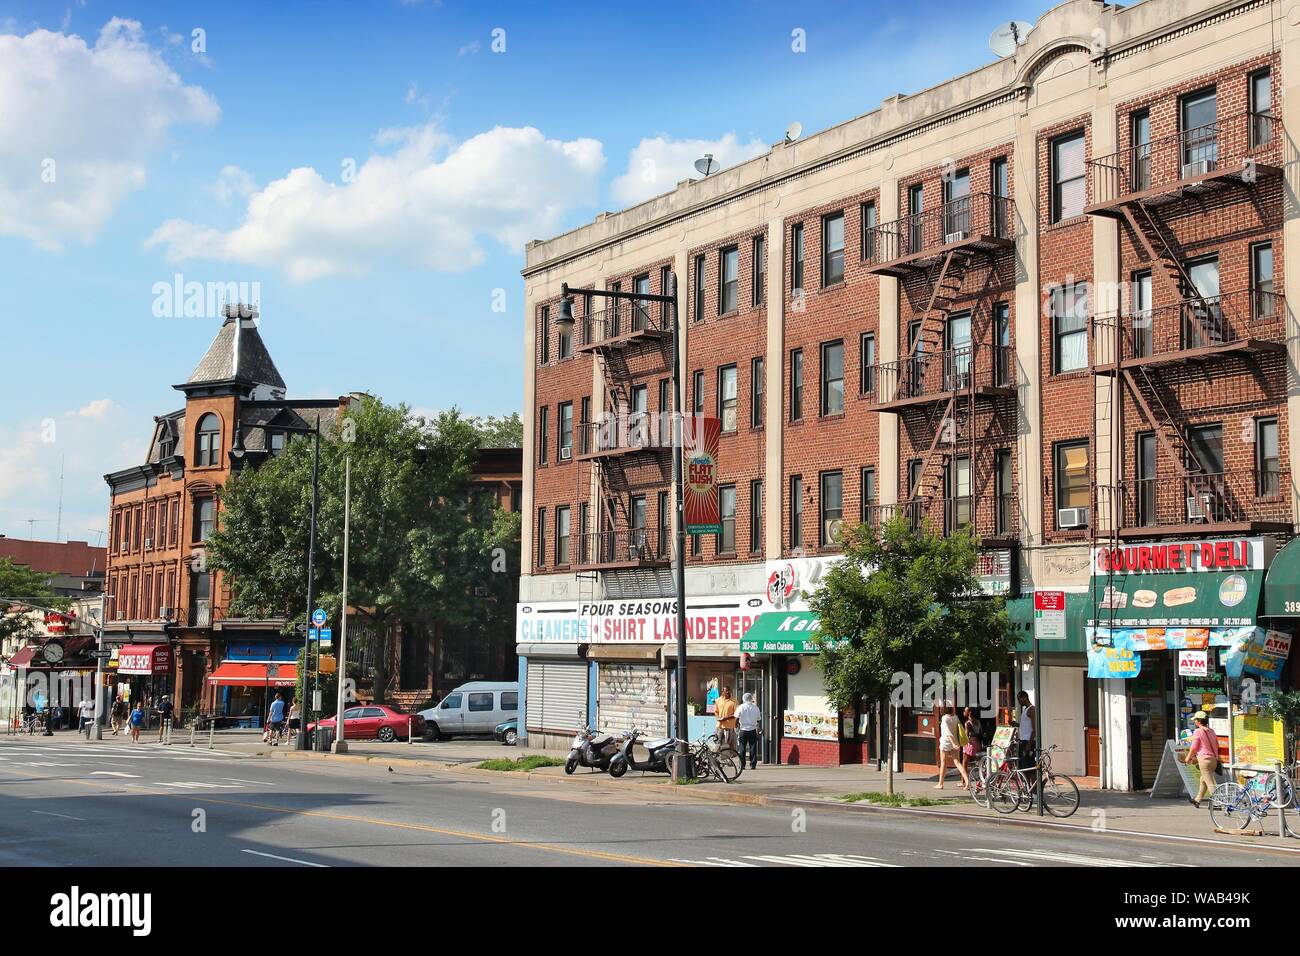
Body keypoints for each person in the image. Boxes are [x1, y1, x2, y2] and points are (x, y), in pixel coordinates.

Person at [1184, 711, 1219, 808]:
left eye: (1195, 719)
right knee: (1203, 779)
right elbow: (1216, 745)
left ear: (1199, 721)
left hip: (1204, 760)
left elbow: (1194, 747)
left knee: (1210, 782)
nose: (1195, 721)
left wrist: (1188, 758)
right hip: (1213, 760)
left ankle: (1217, 803)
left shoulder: (1197, 732)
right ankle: (1197, 800)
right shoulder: (1211, 731)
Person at [936, 700, 969, 789]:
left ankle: (940, 784)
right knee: (957, 762)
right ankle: (967, 781)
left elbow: (948, 732)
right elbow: (959, 728)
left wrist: (953, 743)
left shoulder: (944, 718)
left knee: (943, 762)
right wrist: (955, 743)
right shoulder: (955, 717)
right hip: (955, 742)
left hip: (946, 743)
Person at [735, 692, 761, 770]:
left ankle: (742, 765)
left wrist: (735, 726)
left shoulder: (741, 707)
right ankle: (753, 764)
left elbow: (736, 718)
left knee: (742, 748)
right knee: (753, 748)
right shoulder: (755, 707)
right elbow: (758, 719)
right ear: (751, 698)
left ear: (743, 698)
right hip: (752, 730)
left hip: (743, 730)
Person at [714, 686, 739, 751]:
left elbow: (736, 713)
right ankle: (717, 756)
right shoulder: (718, 700)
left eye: (728, 690)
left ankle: (730, 756)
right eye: (726, 691)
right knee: (718, 741)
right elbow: (716, 711)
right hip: (719, 725)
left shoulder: (734, 701)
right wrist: (718, 717)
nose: (727, 692)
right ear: (722, 692)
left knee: (729, 742)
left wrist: (725, 718)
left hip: (729, 726)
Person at [1016, 690, 1036, 770]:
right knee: (1024, 767)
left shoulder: (1031, 710)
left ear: (1024, 698)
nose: (1018, 702)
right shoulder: (1025, 710)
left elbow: (1034, 729)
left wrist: (1029, 744)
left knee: (1028, 767)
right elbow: (1026, 726)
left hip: (1027, 741)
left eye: (1019, 699)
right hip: (1023, 741)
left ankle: (1032, 783)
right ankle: (1027, 783)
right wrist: (1016, 724)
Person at [961, 706, 982, 776]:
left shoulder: (967, 723)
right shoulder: (978, 721)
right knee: (978, 761)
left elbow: (966, 736)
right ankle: (983, 775)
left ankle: (963, 781)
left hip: (969, 743)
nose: (964, 712)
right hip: (977, 743)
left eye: (965, 711)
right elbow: (980, 732)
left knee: (965, 762)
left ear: (969, 713)